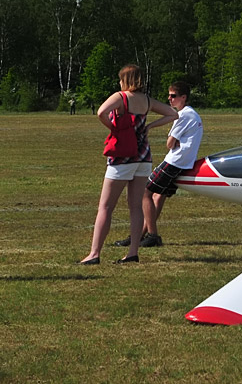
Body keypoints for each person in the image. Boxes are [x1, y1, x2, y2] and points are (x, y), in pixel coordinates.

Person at [79, 65, 176, 265]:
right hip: (143, 156)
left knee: (105, 206)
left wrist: (115, 128)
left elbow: (101, 112)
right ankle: (132, 252)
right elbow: (172, 114)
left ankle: (94, 254)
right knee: (135, 207)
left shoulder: (121, 97)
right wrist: (150, 126)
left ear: (125, 80)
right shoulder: (147, 100)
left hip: (123, 156)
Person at [115, 81, 202, 248]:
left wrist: (168, 139)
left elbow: (170, 143)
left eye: (173, 96)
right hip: (183, 162)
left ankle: (153, 235)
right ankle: (140, 234)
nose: (169, 99)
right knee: (158, 195)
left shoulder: (183, 115)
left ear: (184, 97)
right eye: (169, 95)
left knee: (145, 192)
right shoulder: (192, 114)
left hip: (175, 161)